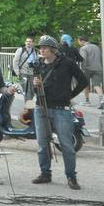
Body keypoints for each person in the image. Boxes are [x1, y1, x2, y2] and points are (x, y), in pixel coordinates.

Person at [30, 35, 88, 189]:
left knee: (66, 144)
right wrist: (35, 84)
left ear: (53, 49)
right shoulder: (38, 65)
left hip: (61, 109)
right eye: (40, 48)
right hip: (41, 107)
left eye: (44, 47)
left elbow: (83, 81)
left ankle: (71, 176)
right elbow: (36, 90)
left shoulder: (67, 63)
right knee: (42, 143)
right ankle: (45, 173)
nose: (41, 50)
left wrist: (69, 95)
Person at [77, 36, 104, 108]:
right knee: (97, 85)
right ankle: (102, 100)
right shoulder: (96, 47)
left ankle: (87, 101)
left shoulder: (83, 48)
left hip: (87, 69)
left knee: (85, 85)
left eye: (79, 41)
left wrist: (82, 69)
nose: (79, 43)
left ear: (82, 41)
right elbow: (101, 57)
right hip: (98, 68)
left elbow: (83, 59)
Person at [11, 36, 38, 101]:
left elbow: (37, 62)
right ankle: (28, 106)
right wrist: (17, 72)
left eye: (30, 41)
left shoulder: (35, 51)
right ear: (25, 42)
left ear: (33, 43)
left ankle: (28, 105)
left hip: (32, 73)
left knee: (32, 91)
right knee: (27, 90)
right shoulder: (21, 50)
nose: (28, 43)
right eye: (27, 41)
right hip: (23, 72)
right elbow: (15, 61)